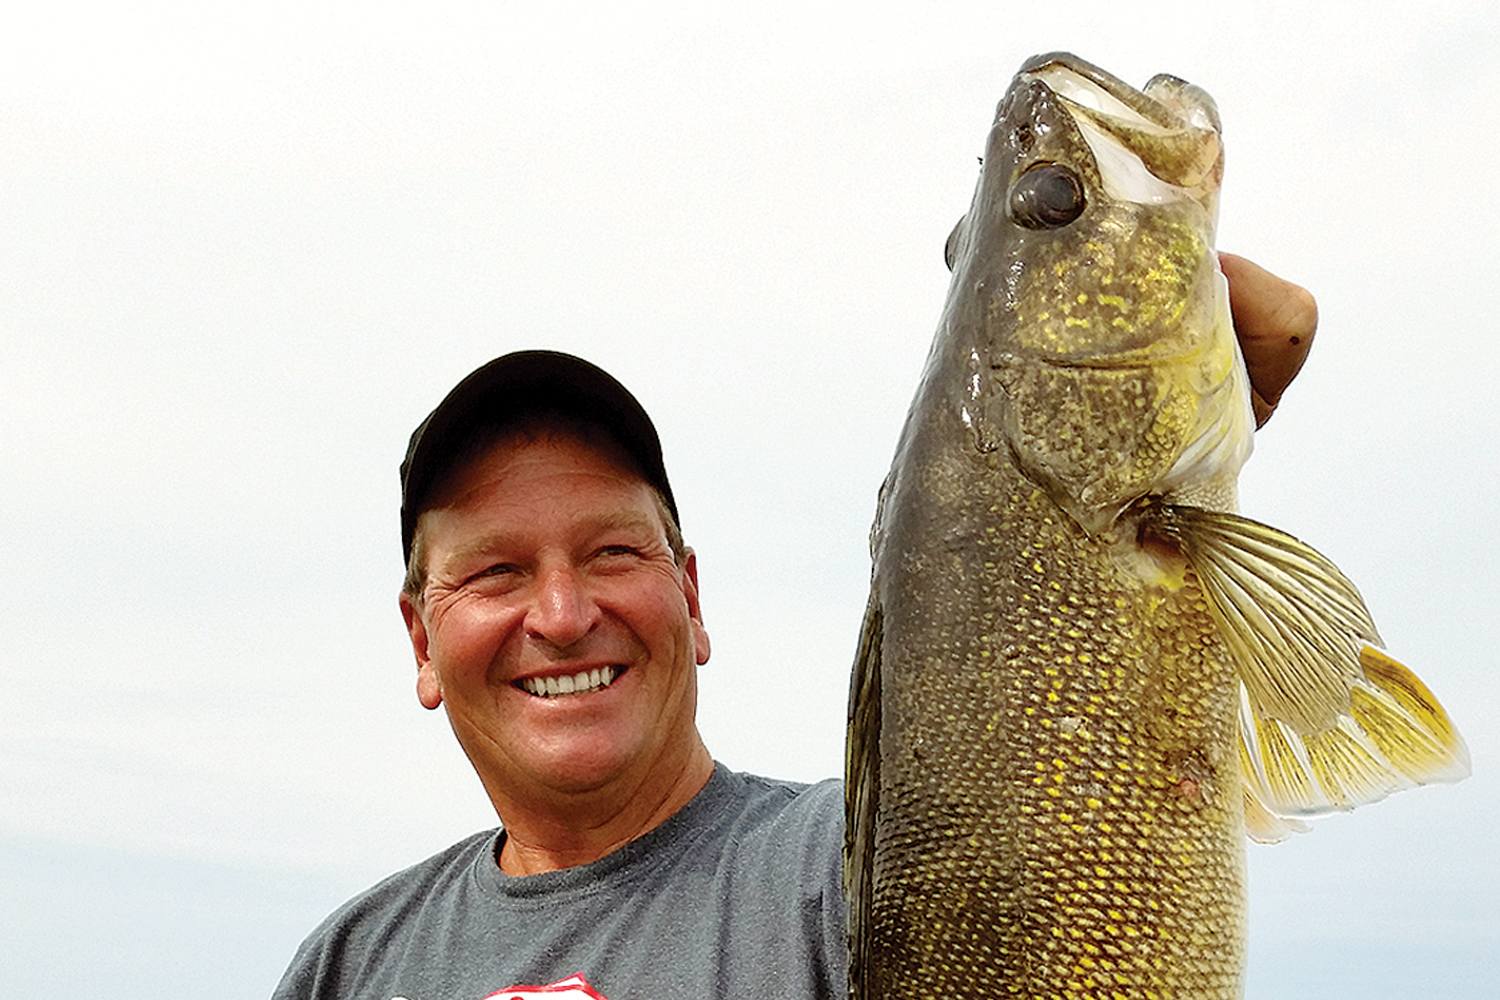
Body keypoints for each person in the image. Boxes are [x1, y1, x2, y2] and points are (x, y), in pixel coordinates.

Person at [271, 256, 1317, 1000]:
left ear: (690, 596)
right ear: (421, 639)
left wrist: (1135, 363)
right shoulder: (351, 966)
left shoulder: (859, 871)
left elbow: (1274, 319)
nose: (563, 613)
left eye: (614, 554)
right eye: (499, 571)